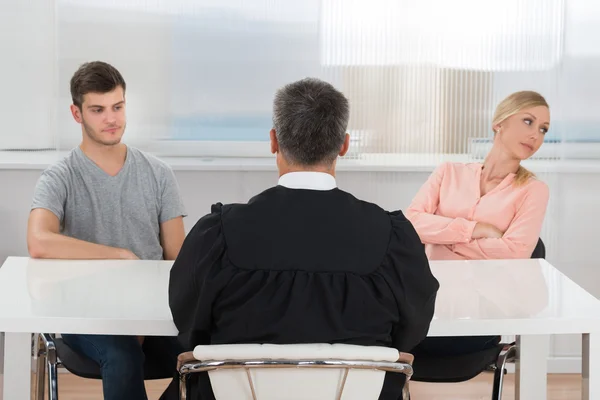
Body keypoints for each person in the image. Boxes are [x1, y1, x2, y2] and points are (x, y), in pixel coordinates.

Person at [169, 77, 440, 400]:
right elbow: (411, 330)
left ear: (273, 141)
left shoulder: (218, 233)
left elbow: (189, 324)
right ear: (344, 145)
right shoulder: (392, 236)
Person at [27, 61, 187, 400]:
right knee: (123, 354)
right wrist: (118, 255)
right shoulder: (60, 176)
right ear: (76, 113)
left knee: (208, 354)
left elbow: (178, 257)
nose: (111, 119)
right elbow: (38, 241)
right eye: (98, 110)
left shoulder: (158, 173)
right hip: (86, 313)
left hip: (151, 311)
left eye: (118, 107)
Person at [405, 90, 550, 356]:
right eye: (528, 122)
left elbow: (515, 252)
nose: (535, 135)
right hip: (425, 312)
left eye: (543, 129)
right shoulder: (448, 172)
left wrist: (442, 236)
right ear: (499, 123)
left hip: (481, 318)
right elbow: (411, 223)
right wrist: (474, 230)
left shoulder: (533, 190)